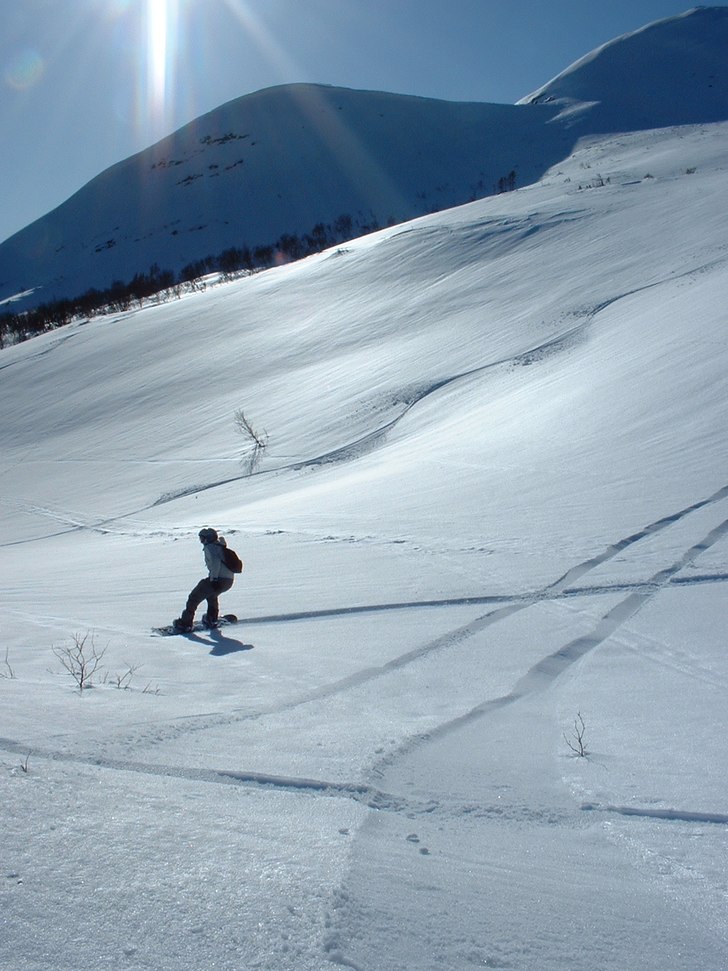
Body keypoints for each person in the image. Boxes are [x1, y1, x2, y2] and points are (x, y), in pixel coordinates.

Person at [173, 528, 235, 632]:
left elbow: (215, 563)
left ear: (208, 538)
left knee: (194, 597)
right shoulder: (220, 547)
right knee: (211, 595)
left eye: (202, 538)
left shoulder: (211, 547)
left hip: (218, 579)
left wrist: (214, 579)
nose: (201, 541)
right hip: (228, 581)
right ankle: (211, 619)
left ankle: (185, 623)